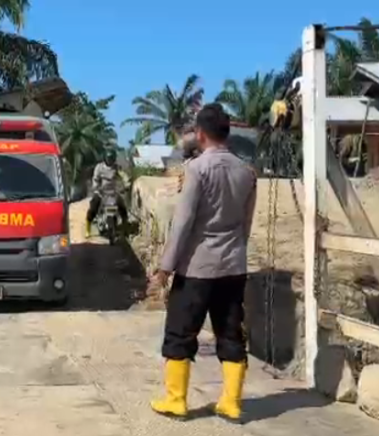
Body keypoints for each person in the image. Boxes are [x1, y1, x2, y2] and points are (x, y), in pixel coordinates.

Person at [149, 103, 257, 423]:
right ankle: (231, 402)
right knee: (230, 332)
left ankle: (176, 400)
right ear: (227, 133)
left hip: (197, 267)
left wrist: (165, 267)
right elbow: (246, 224)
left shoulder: (196, 169)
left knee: (180, 332)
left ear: (200, 133)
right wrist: (235, 252)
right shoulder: (247, 172)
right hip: (233, 266)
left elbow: (183, 223)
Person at [86, 149, 129, 237]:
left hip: (113, 192)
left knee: (122, 208)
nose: (110, 160)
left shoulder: (117, 167)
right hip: (101, 191)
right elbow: (95, 179)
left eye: (111, 159)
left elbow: (124, 176)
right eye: (108, 158)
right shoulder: (99, 167)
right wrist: (96, 187)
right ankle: (88, 228)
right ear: (105, 158)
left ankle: (125, 228)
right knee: (93, 206)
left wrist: (127, 184)